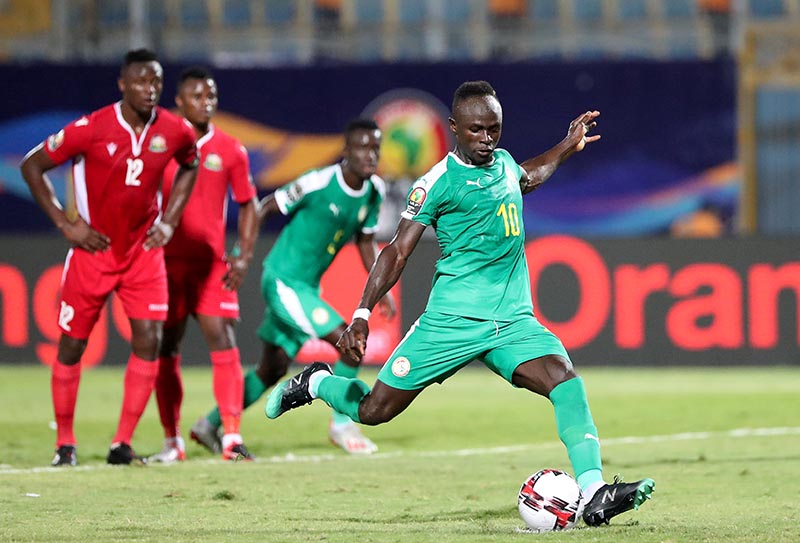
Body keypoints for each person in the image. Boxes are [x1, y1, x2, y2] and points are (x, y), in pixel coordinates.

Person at [266, 81, 655, 526]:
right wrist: (361, 314)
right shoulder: (436, 182)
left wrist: (567, 146)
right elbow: (396, 251)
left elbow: (528, 174)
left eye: (494, 129)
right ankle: (317, 383)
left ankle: (593, 492)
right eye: (476, 131)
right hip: (450, 322)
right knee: (375, 410)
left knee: (565, 381)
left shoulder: (505, 164)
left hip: (511, 322)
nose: (487, 139)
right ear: (454, 128)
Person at [19, 48, 199, 466]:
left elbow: (190, 165)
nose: (149, 89)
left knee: (150, 341)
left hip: (143, 254)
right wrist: (67, 225)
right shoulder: (91, 128)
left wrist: (170, 221)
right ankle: (65, 443)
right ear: (122, 84)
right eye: (139, 81)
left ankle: (121, 443)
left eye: (155, 82)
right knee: (72, 346)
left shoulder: (174, 130)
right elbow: (32, 166)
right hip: (93, 251)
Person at [190, 118, 396, 455]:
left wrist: (381, 285)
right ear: (345, 151)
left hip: (306, 289)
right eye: (362, 147)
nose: (370, 155)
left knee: (272, 367)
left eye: (376, 148)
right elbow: (264, 207)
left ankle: (209, 423)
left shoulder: (375, 191)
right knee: (350, 342)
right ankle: (342, 426)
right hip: (283, 280)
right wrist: (242, 255)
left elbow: (364, 242)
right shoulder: (318, 182)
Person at [148, 67, 259, 464]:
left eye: (211, 95)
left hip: (211, 266)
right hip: (165, 264)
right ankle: (171, 441)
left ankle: (231, 437)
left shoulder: (231, 149)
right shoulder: (161, 144)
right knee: (166, 347)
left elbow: (248, 204)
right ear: (179, 101)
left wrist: (243, 255)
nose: (205, 102)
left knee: (223, 340)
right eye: (197, 96)